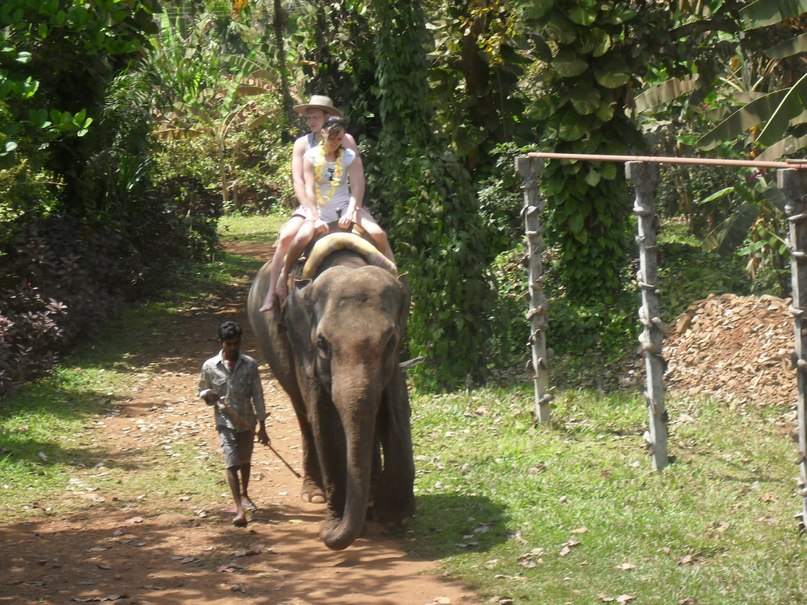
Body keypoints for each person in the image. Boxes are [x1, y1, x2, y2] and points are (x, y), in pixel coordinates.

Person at [274, 116, 395, 304]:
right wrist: (315, 217)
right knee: (300, 238)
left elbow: (357, 186)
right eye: (331, 139)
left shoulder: (349, 156)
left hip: (346, 206)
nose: (335, 143)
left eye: (339, 140)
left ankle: (395, 279)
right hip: (319, 209)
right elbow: (309, 188)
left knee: (379, 233)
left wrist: (350, 212)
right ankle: (284, 274)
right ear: (323, 133)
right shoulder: (311, 156)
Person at [259, 95, 359, 312]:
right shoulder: (302, 144)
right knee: (287, 236)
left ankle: (393, 279)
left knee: (376, 233)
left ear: (327, 117)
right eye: (309, 117)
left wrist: (354, 206)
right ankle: (272, 291)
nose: (312, 121)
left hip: (343, 203)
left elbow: (356, 174)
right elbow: (299, 181)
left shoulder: (346, 139)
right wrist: (310, 211)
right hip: (311, 204)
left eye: (316, 117)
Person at [198, 320, 269, 527]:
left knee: (245, 461)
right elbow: (201, 390)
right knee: (232, 463)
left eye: (237, 344)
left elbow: (258, 395)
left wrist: (263, 426)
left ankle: (245, 494)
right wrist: (207, 394)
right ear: (221, 343)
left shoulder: (250, 365)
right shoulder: (210, 366)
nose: (233, 348)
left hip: (247, 422)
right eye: (229, 344)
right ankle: (239, 508)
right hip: (224, 422)